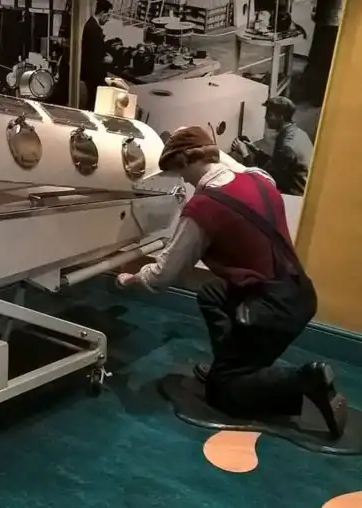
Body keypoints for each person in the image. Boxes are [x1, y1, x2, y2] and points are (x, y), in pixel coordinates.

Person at [117, 126, 347, 438]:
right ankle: (230, 364)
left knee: (223, 393)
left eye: (180, 172)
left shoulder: (203, 208)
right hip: (299, 292)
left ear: (186, 162)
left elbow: (162, 277)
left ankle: (305, 380)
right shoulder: (260, 179)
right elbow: (232, 168)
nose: (184, 181)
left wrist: (132, 278)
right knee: (211, 294)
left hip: (269, 309)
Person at [231, 96, 313, 196]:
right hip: (297, 184)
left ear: (280, 117)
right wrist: (256, 150)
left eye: (269, 114)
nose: (265, 117)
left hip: (294, 196)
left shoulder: (286, 147)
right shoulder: (297, 133)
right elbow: (276, 164)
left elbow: (262, 179)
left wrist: (245, 154)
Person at [81, 0, 113, 110]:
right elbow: (94, 56)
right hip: (93, 74)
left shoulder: (92, 25)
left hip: (91, 73)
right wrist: (106, 59)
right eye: (108, 15)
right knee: (95, 102)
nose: (108, 19)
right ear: (102, 13)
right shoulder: (94, 29)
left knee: (93, 101)